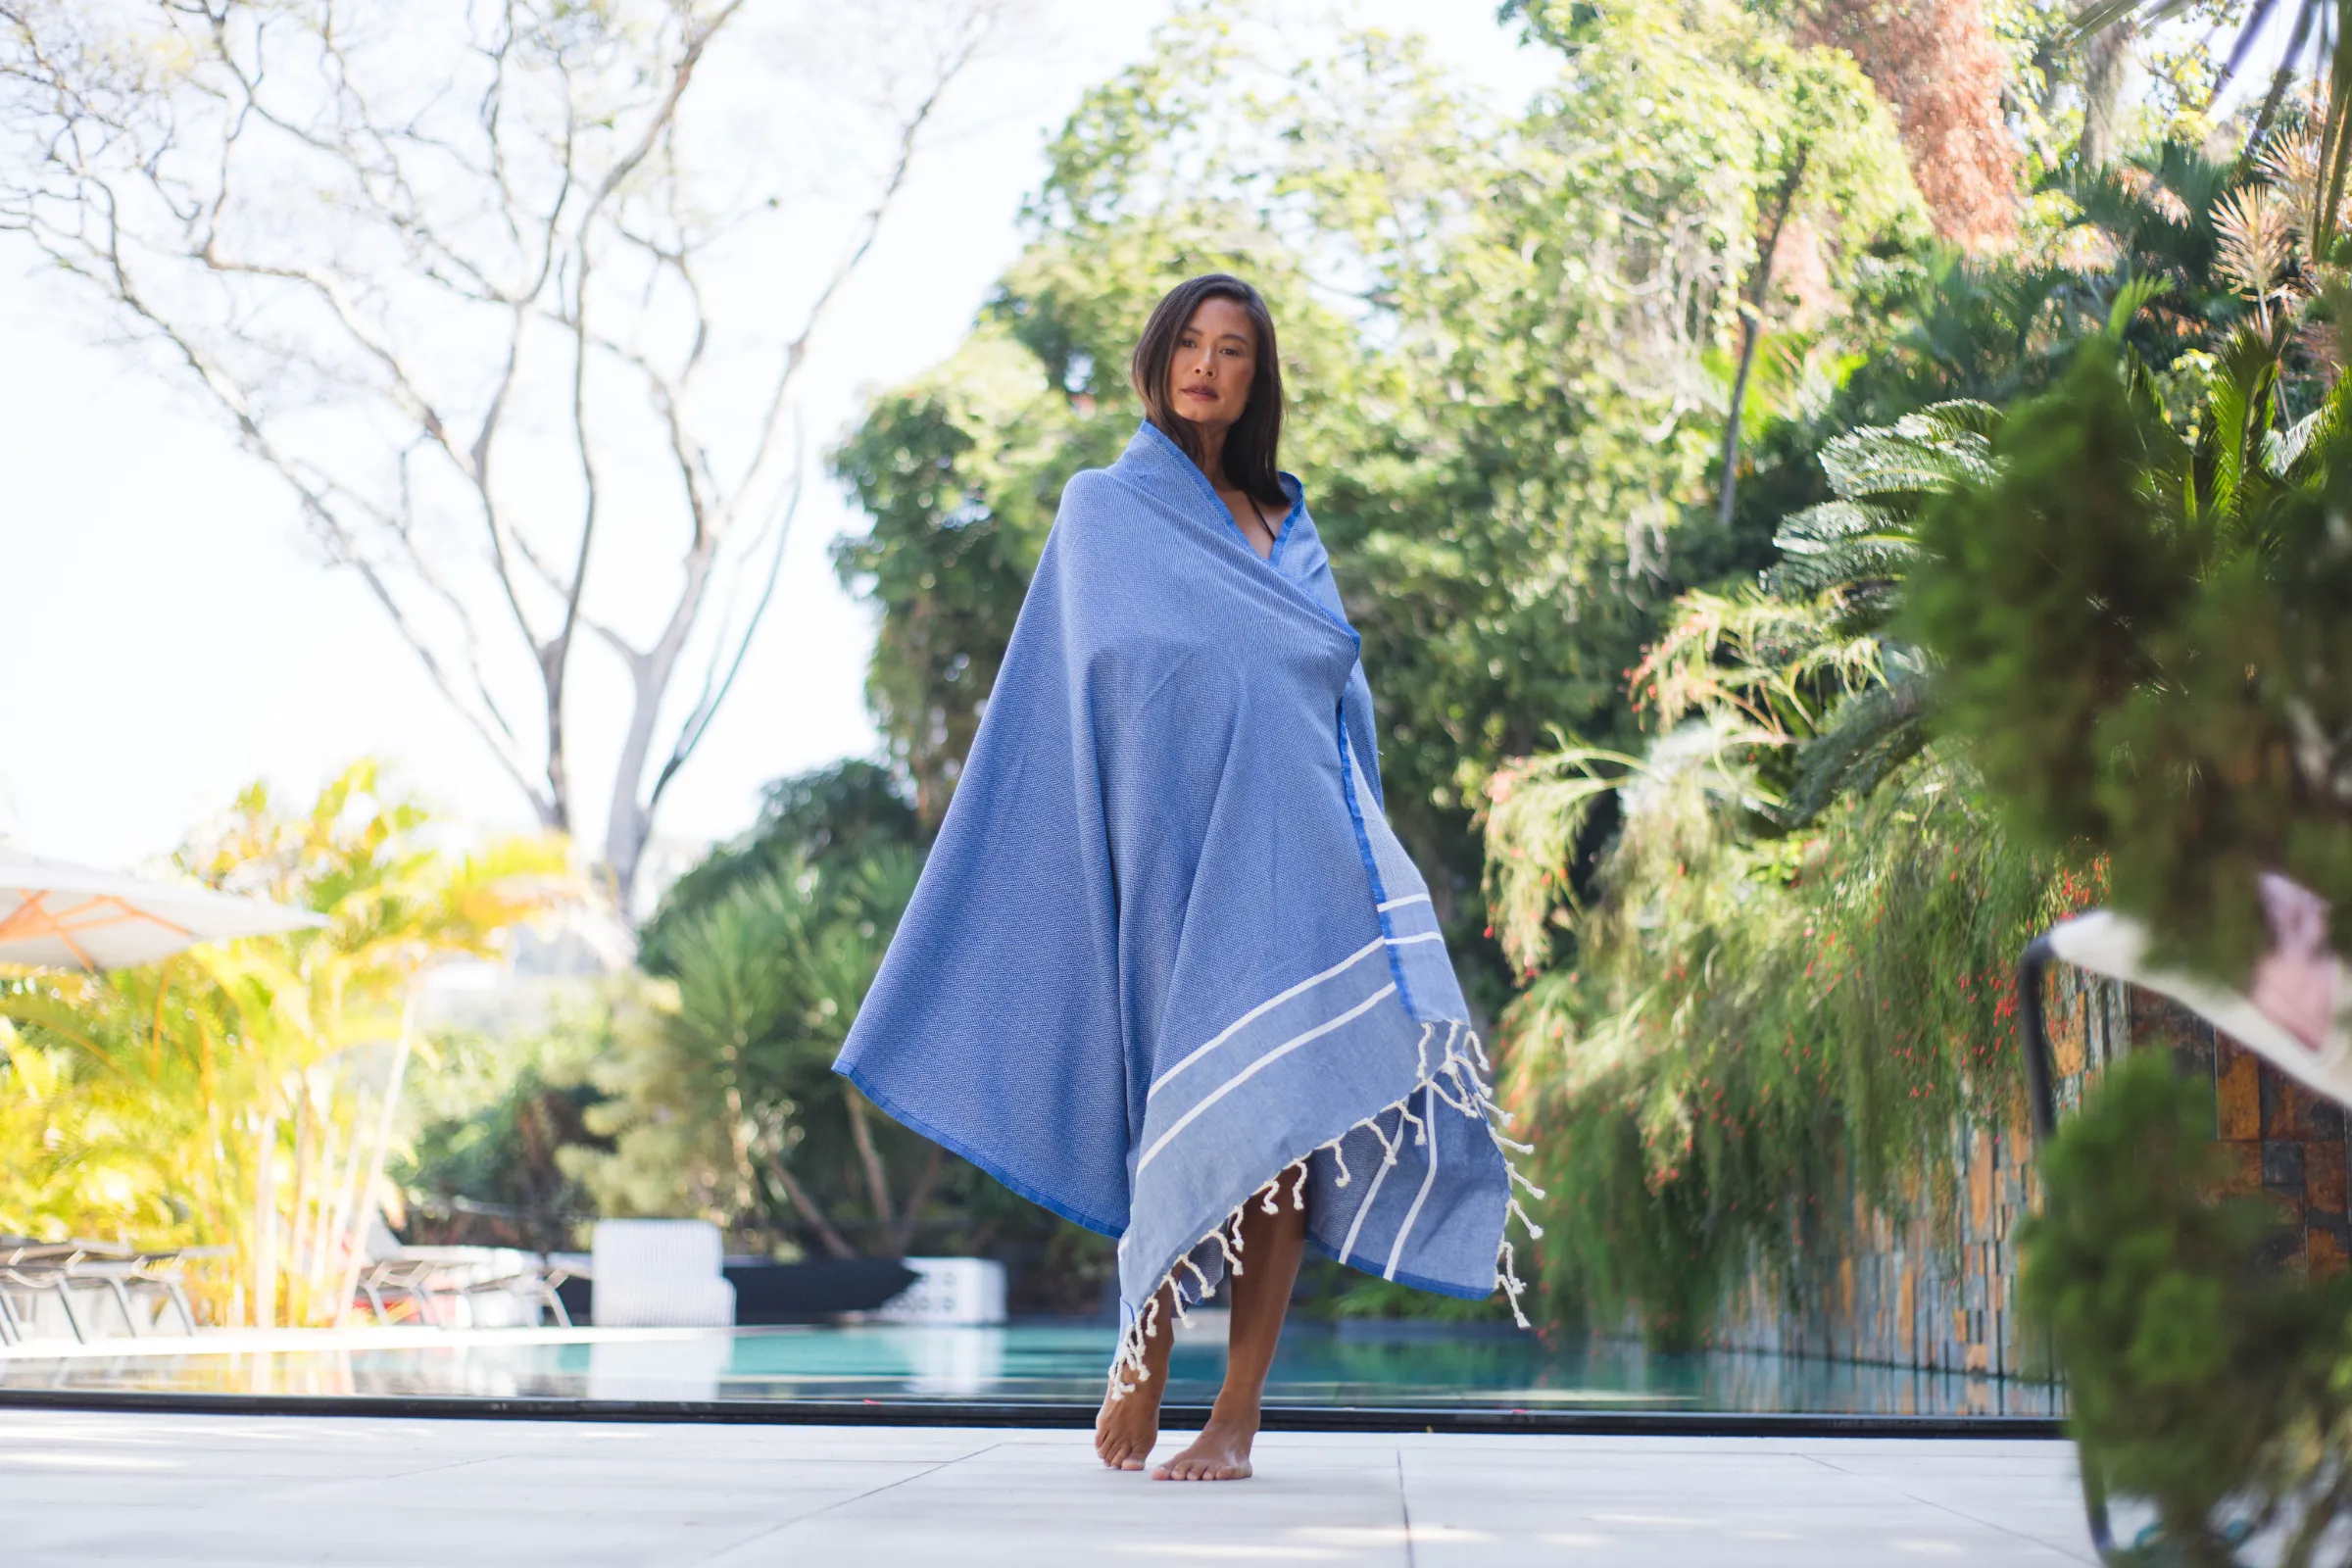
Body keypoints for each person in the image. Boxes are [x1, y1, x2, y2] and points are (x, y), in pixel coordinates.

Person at [836, 274, 1532, 1483]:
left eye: (1235, 353)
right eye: (1192, 346)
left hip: (1307, 846)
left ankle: (1237, 1417)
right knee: (1185, 1099)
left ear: (1258, 381)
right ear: (1158, 360)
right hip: (1172, 849)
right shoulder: (1104, 510)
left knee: (1291, 1133)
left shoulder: (1285, 520)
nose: (1209, 368)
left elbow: (1323, 673)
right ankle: (1143, 1344)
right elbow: (1089, 679)